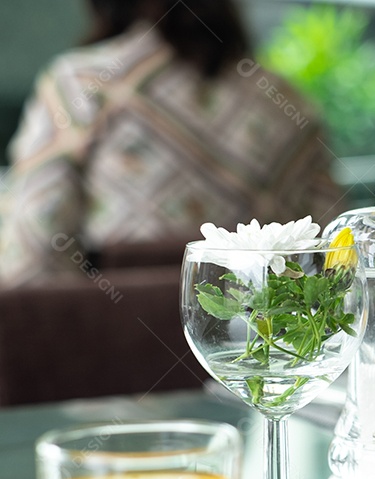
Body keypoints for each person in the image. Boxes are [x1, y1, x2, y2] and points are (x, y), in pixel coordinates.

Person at [0, 0, 341, 286]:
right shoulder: (287, 100)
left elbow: (33, 250)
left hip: (112, 341)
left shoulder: (79, 85)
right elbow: (336, 253)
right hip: (258, 344)